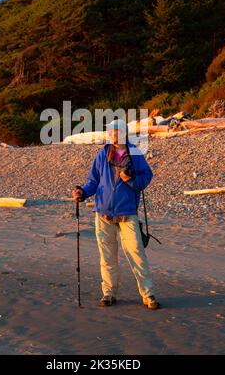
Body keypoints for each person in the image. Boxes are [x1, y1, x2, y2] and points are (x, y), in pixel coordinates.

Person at [73, 118, 160, 309]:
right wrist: (83, 193)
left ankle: (148, 295)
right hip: (103, 212)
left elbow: (146, 177)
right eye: (110, 131)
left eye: (115, 131)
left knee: (136, 254)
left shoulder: (135, 152)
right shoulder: (103, 154)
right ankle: (109, 293)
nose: (112, 135)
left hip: (127, 212)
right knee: (107, 256)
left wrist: (130, 180)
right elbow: (93, 181)